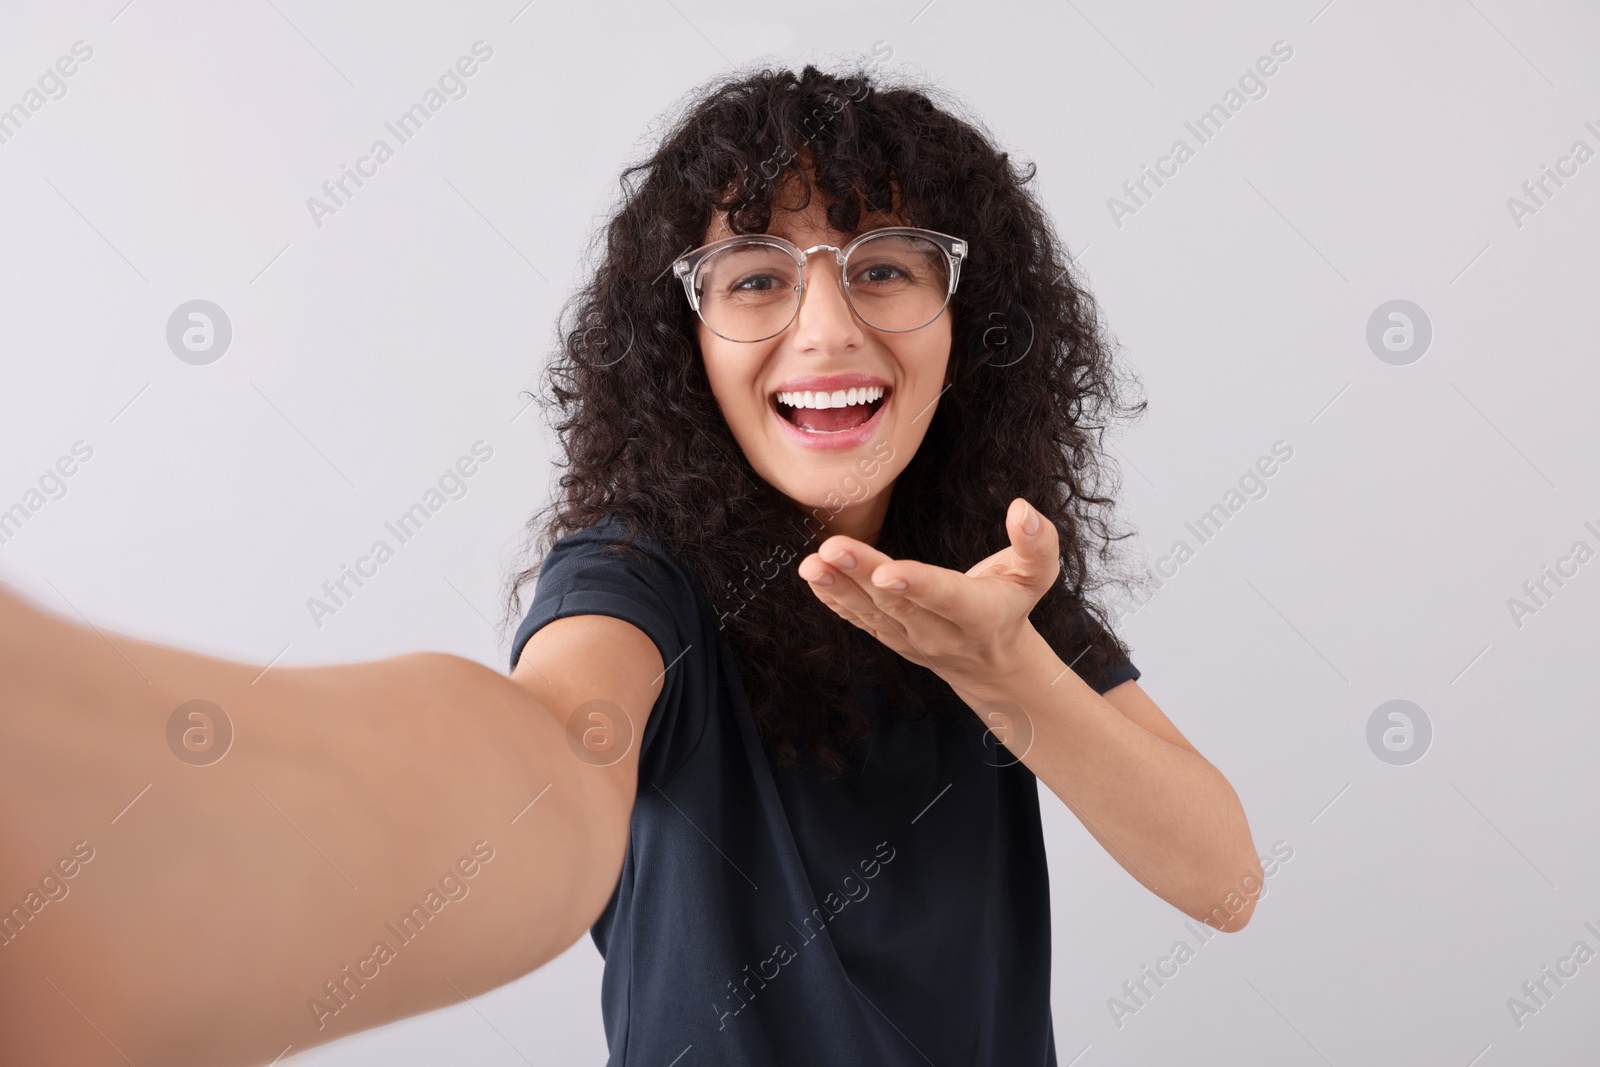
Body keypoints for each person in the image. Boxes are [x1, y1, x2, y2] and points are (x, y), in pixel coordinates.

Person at [0, 63, 1260, 1066]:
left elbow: (1222, 876)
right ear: (684, 341)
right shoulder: (636, 576)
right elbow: (546, 753)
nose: (827, 328)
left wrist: (1008, 671)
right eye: (754, 277)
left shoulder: (997, 591)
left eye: (883, 267)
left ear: (964, 319)